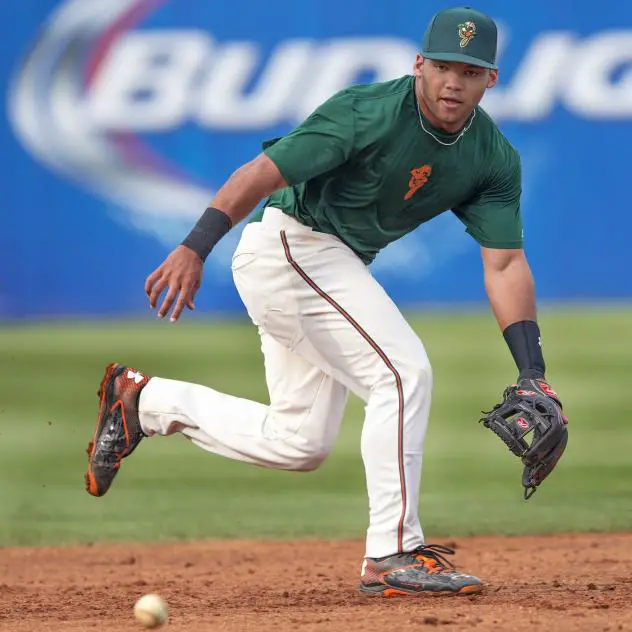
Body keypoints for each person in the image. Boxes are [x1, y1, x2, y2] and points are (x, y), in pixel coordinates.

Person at [85, 6, 566, 596]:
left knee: (300, 442)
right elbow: (262, 172)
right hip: (291, 247)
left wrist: (533, 372)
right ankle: (391, 553)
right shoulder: (365, 113)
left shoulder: (491, 157)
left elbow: (505, 263)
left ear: (490, 79)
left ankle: (143, 401)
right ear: (418, 64)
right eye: (441, 65)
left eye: (468, 71)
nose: (451, 82)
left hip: (326, 265)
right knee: (401, 374)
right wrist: (194, 247)